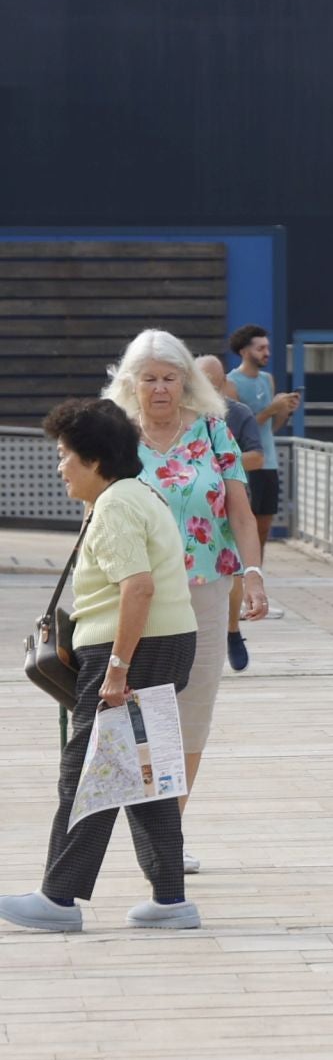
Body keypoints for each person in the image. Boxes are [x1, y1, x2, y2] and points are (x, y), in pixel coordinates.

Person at [0, 399, 203, 933]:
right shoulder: (138, 494)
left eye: (65, 456)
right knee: (142, 773)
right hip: (164, 643)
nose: (59, 466)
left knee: (88, 769)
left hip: (130, 649)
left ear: (94, 460)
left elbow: (137, 587)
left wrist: (117, 667)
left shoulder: (114, 505)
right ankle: (170, 899)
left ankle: (58, 899)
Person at [108, 330, 269, 875]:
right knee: (135, 711)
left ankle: (168, 833)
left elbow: (242, 515)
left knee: (190, 713)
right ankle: (142, 826)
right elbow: (94, 516)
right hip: (132, 594)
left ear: (186, 382)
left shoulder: (214, 432)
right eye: (148, 378)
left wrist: (253, 575)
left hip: (203, 592)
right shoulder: (114, 438)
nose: (159, 388)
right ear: (130, 383)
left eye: (169, 377)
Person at [193, 355, 266, 673]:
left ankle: (232, 631)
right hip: (193, 507)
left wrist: (218, 461)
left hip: (229, 500)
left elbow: (257, 457)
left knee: (233, 573)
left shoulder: (237, 413)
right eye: (201, 379)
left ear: (223, 382)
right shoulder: (181, 415)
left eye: (214, 380)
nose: (207, 386)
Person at [227, 324, 299, 607]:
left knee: (264, 527)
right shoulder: (231, 383)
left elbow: (271, 426)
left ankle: (256, 584)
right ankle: (237, 585)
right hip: (245, 465)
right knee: (243, 526)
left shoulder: (267, 380)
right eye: (260, 348)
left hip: (268, 463)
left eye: (267, 348)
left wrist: (284, 411)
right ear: (245, 351)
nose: (266, 352)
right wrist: (270, 409)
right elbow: (241, 429)